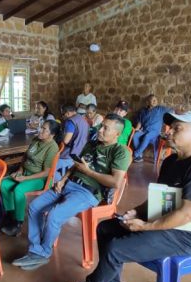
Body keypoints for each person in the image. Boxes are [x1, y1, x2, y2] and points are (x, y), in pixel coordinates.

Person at [60, 111, 191, 282]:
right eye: (170, 128)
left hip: (186, 236)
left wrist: (146, 226)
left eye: (177, 129)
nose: (169, 132)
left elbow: (188, 215)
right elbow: (160, 198)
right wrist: (137, 212)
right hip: (167, 221)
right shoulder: (171, 161)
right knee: (106, 228)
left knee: (116, 248)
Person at [13, 114, 131, 270]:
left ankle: (43, 253)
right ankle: (36, 249)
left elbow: (115, 182)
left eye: (105, 128)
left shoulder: (120, 152)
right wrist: (62, 180)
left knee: (54, 215)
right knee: (34, 207)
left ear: (117, 133)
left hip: (87, 192)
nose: (100, 130)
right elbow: (76, 165)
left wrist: (88, 172)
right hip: (68, 184)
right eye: (101, 126)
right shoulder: (92, 144)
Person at [0, 120, 61, 237]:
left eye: (44, 129)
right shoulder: (36, 139)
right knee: (4, 184)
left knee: (19, 190)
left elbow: (46, 172)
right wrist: (20, 171)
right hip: (25, 173)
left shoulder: (52, 148)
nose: (40, 130)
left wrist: (25, 178)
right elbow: (25, 157)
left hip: (40, 179)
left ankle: (18, 224)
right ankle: (11, 215)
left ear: (52, 134)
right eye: (41, 127)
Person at [131, 94, 170, 162]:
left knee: (147, 136)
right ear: (148, 102)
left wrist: (179, 111)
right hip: (144, 130)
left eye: (156, 100)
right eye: (153, 100)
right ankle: (139, 156)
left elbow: (172, 110)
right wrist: (137, 129)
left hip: (155, 131)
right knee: (135, 135)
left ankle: (135, 155)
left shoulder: (160, 109)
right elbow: (139, 122)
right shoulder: (143, 111)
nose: (155, 101)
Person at [56, 104, 89, 179]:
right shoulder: (83, 119)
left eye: (63, 114)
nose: (62, 117)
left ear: (68, 113)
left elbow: (66, 141)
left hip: (70, 155)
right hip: (81, 153)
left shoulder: (70, 121)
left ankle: (59, 181)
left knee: (49, 165)